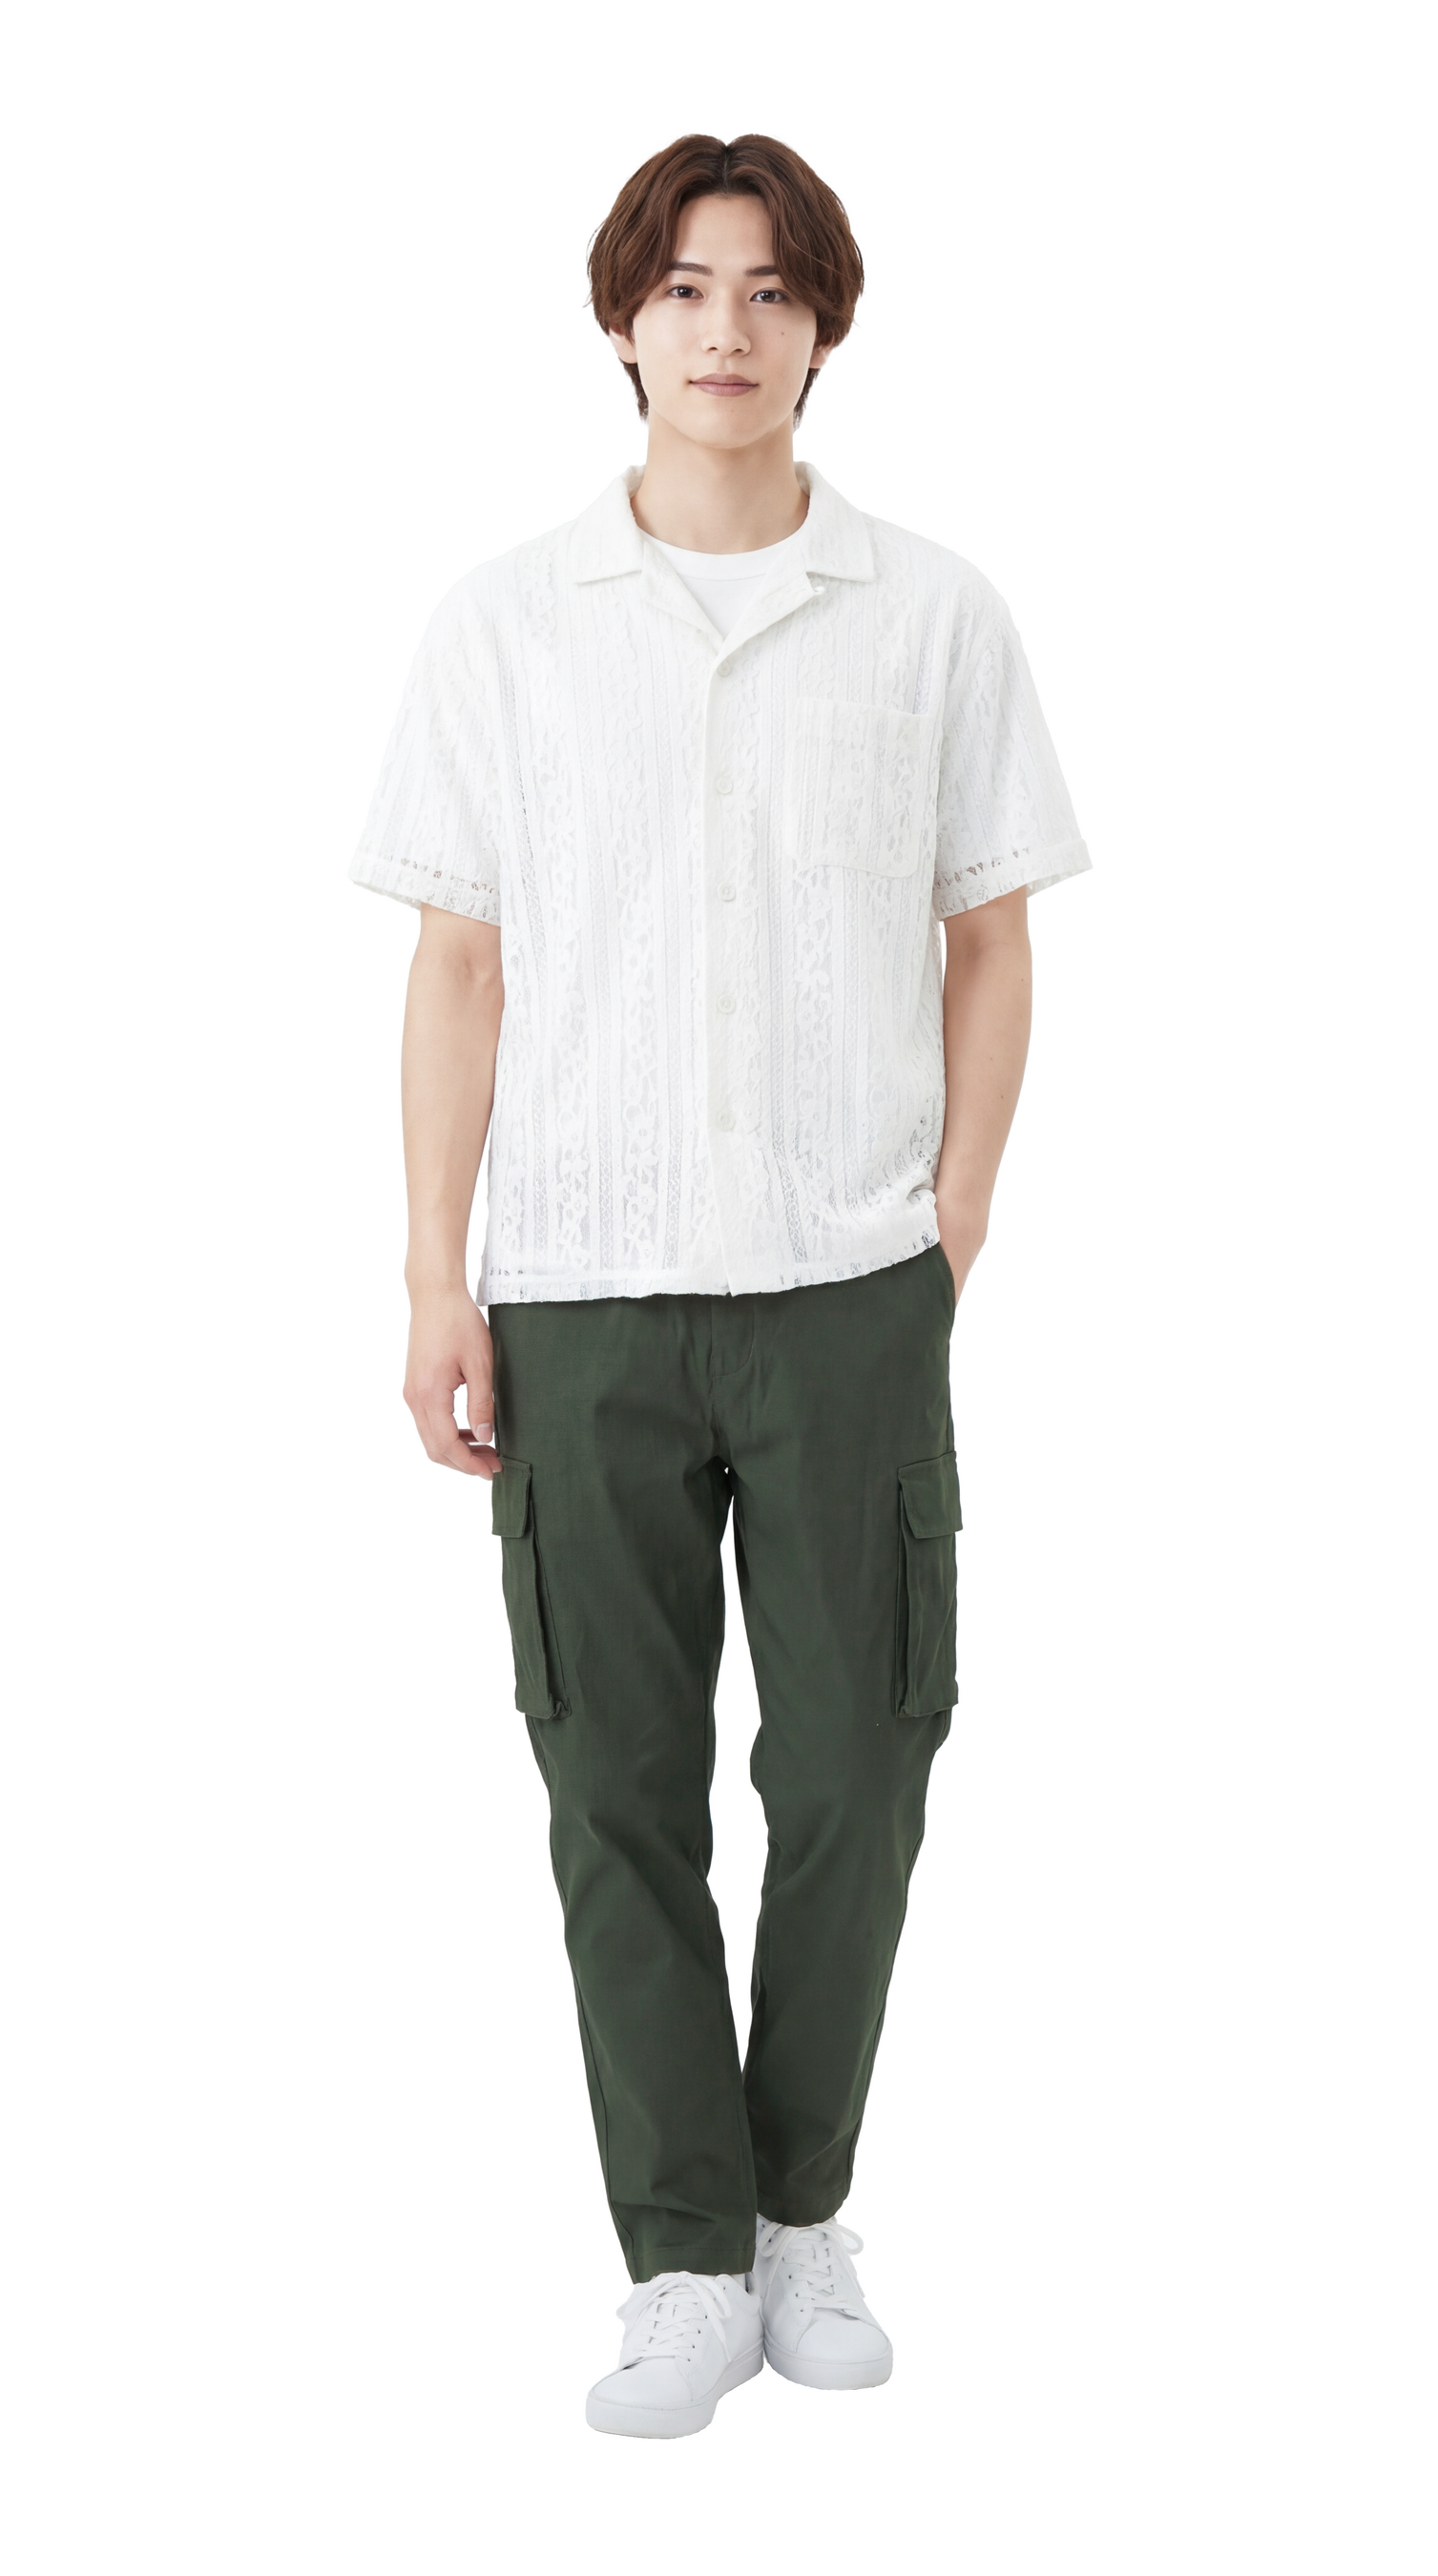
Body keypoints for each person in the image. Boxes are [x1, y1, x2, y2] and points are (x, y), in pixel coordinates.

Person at [351, 132, 1090, 2439]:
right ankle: (683, 2257)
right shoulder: (505, 623)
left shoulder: (932, 612)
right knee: (616, 1784)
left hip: (852, 1283)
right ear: (622, 323)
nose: (727, 328)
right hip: (580, 1294)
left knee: (865, 1759)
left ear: (824, 324)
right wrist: (436, 1278)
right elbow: (458, 965)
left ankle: (799, 2214)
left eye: (770, 289)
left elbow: (991, 936)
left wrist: (953, 1223)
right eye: (684, 287)